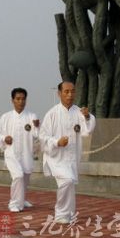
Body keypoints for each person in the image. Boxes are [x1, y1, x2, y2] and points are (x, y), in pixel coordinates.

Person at [39, 81, 96, 224]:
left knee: (68, 184)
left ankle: (68, 214)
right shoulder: (52, 114)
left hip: (72, 158)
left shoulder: (79, 112)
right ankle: (61, 214)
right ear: (59, 94)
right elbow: (43, 137)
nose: (70, 95)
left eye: (72, 91)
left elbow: (87, 130)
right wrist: (57, 142)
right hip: (56, 158)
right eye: (66, 92)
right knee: (67, 181)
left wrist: (88, 117)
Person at [0, 88, 39, 212]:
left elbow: (36, 135)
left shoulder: (32, 116)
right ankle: (14, 203)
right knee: (18, 176)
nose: (21, 102)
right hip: (11, 153)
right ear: (12, 100)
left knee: (25, 178)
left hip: (26, 153)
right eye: (18, 99)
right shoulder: (6, 117)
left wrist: (36, 126)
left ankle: (22, 199)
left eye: (23, 99)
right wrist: (4, 138)